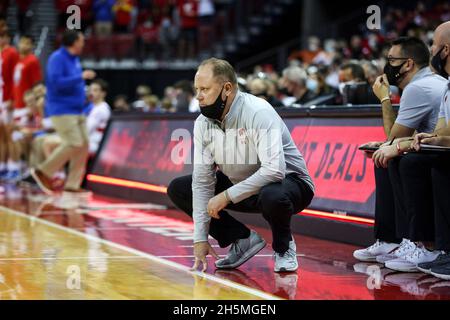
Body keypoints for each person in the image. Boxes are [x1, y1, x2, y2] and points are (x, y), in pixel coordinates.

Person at [167, 58, 314, 273]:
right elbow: (202, 181)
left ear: (227, 88)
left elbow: (274, 170)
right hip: (244, 185)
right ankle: (241, 239)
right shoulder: (202, 123)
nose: (198, 96)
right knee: (179, 188)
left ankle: (284, 247)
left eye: (205, 89)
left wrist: (225, 196)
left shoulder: (258, 111)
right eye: (197, 89)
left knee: (272, 194)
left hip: (291, 184)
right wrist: (200, 238)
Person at [353, 37, 447, 267]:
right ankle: (391, 239)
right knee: (385, 154)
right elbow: (399, 138)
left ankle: (416, 242)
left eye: (392, 60)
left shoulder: (418, 87)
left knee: (395, 158)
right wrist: (393, 144)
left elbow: (393, 136)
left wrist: (385, 99)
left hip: (438, 151)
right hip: (432, 145)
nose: (387, 65)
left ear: (408, 64)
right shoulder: (432, 82)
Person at [28, 29, 96, 195]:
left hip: (77, 109)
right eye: (81, 40)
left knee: (84, 144)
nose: (83, 43)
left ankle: (72, 184)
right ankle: (43, 171)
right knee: (74, 142)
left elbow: (72, 84)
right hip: (62, 109)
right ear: (73, 42)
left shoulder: (74, 59)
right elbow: (56, 82)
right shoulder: (57, 58)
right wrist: (80, 77)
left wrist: (84, 95)